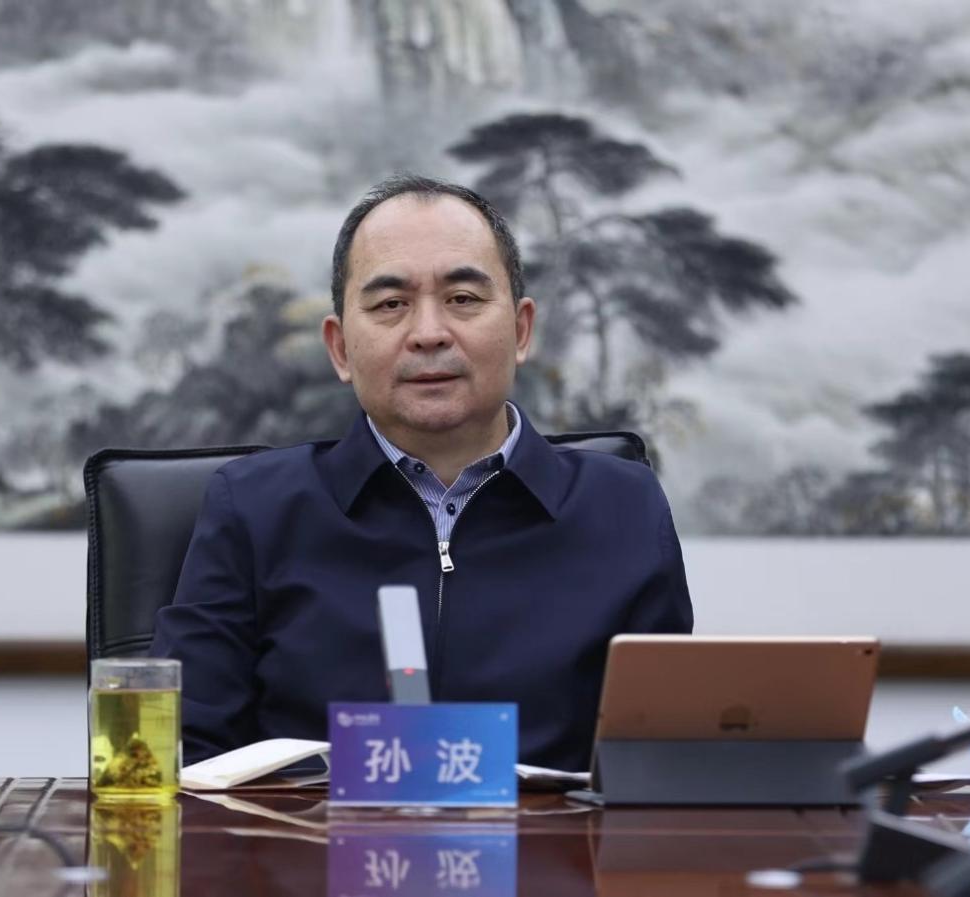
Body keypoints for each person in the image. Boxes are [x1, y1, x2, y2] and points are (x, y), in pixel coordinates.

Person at [150, 174, 693, 771]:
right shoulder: (255, 508)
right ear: (340, 348)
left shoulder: (623, 507)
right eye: (391, 305)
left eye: (463, 299)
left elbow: (660, 764)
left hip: (554, 834)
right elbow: (182, 759)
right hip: (306, 832)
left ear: (520, 331)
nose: (429, 334)